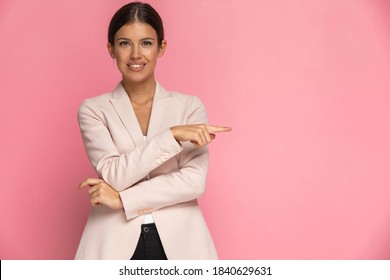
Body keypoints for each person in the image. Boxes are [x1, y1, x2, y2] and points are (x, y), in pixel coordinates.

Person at [75, 2, 231, 260]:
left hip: (181, 243)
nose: (136, 54)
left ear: (161, 48)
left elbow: (193, 182)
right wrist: (172, 135)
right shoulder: (94, 110)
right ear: (111, 49)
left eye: (146, 43)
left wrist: (122, 200)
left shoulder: (190, 107)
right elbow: (114, 175)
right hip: (114, 243)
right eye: (125, 43)